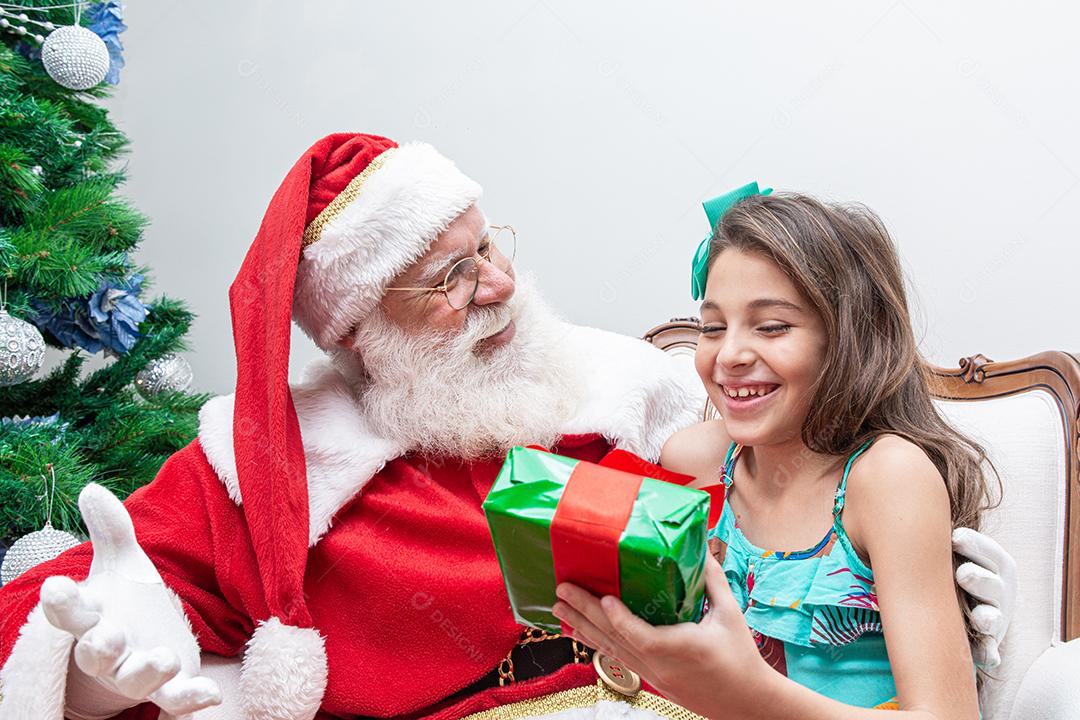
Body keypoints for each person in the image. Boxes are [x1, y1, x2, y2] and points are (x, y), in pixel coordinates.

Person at [0, 141, 1013, 720]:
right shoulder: (275, 470)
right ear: (361, 329)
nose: (496, 286)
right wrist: (91, 661)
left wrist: (946, 619)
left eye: (488, 247)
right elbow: (77, 604)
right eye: (447, 276)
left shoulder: (623, 391)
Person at [551, 186, 1009, 718]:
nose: (731, 355)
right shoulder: (694, 461)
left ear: (846, 340)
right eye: (714, 327)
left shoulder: (886, 478)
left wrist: (748, 696)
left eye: (772, 327)